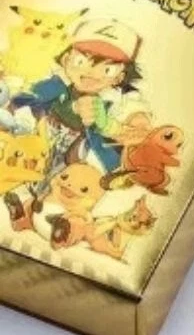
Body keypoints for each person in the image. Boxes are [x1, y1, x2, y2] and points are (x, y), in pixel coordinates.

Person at [6, 17, 149, 228]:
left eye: (107, 69)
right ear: (66, 60)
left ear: (120, 77)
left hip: (78, 160)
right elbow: (22, 100)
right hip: (42, 144)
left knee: (65, 190)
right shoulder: (55, 85)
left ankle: (46, 217)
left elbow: (138, 132)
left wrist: (107, 124)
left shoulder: (119, 103)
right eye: (81, 61)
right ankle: (23, 207)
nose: (90, 73)